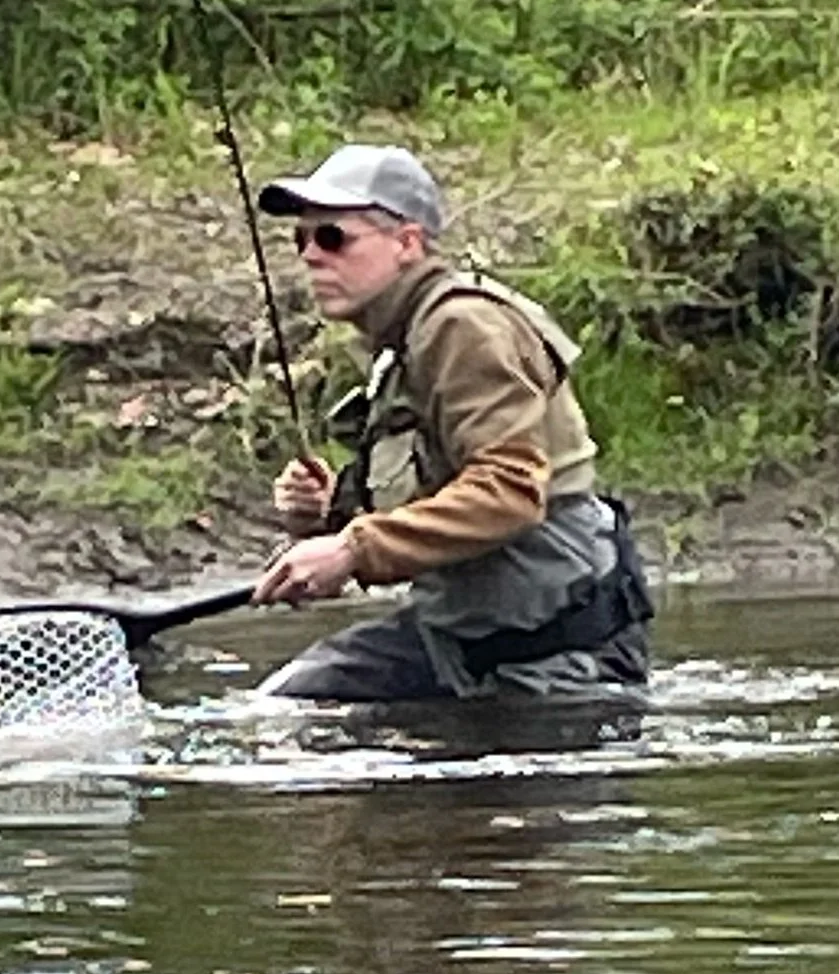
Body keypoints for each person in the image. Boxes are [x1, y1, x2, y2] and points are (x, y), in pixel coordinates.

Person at [248, 142, 653, 705]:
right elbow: (439, 493)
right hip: (467, 634)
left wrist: (352, 549)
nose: (312, 256)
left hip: (556, 651)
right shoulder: (402, 342)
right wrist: (327, 518)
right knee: (298, 702)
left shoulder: (460, 327)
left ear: (407, 243)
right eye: (302, 239)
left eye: (333, 237)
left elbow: (509, 491)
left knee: (312, 722)